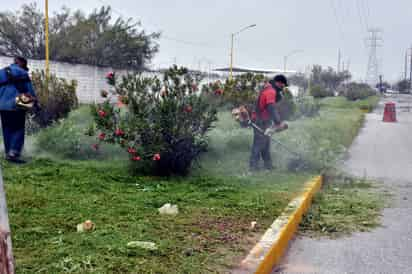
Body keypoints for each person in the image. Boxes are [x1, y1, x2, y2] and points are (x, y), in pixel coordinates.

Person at [0, 56, 36, 164]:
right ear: (21, 63)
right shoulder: (22, 73)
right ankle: (14, 153)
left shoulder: (1, 72)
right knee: (18, 128)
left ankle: (8, 153)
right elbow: (29, 91)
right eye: (24, 65)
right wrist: (36, 103)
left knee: (7, 128)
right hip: (17, 104)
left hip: (2, 105)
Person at [250, 75, 288, 171]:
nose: (283, 88)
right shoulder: (271, 91)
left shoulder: (269, 89)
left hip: (264, 120)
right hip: (260, 120)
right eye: (283, 86)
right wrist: (278, 122)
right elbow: (271, 107)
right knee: (258, 144)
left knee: (266, 144)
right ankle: (253, 168)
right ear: (278, 83)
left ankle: (268, 166)